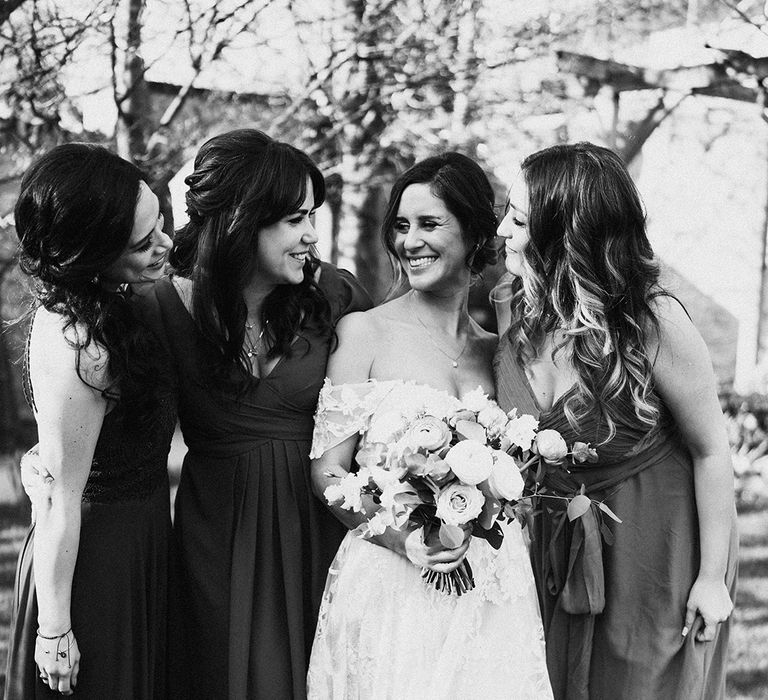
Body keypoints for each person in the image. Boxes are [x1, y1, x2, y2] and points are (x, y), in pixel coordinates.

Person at [493, 142, 737, 700]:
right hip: (556, 545)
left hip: (658, 548)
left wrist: (710, 579)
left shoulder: (652, 322)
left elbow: (712, 451)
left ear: (564, 234)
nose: (503, 229)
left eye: (519, 219)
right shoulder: (519, 311)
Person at [136, 129, 372, 699]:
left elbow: (387, 405)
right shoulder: (160, 306)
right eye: (294, 220)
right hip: (217, 536)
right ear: (242, 220)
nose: (311, 235)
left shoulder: (336, 296)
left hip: (321, 525)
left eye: (312, 216)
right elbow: (120, 423)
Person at [308, 153, 553, 698]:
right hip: (393, 584)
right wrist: (404, 539)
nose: (409, 241)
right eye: (401, 226)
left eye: (428, 224)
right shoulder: (365, 334)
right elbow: (327, 474)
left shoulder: (499, 353)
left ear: (473, 233)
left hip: (492, 586)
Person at [4, 143, 176, 699]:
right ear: (90, 252)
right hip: (95, 564)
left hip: (141, 539)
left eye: (161, 225)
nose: (165, 246)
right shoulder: (76, 341)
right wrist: (55, 628)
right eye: (143, 243)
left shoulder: (114, 303)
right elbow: (60, 495)